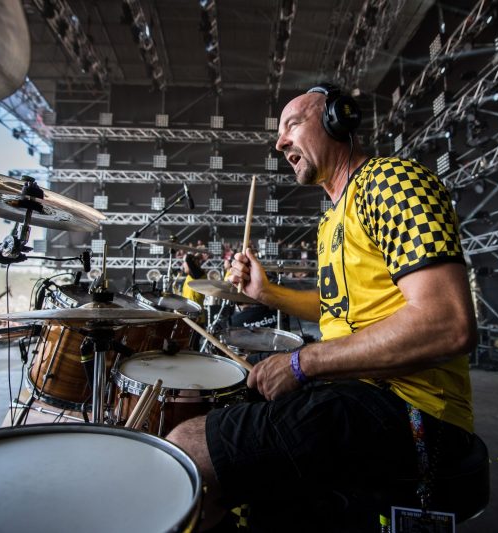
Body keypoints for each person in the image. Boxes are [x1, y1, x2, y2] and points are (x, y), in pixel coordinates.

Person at [167, 85, 477, 530]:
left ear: (338, 119)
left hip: (411, 408)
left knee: (189, 447)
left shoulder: (392, 181)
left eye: (292, 124)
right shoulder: (331, 219)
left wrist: (301, 363)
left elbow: (447, 323)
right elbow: (337, 308)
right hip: (353, 391)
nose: (280, 143)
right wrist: (266, 293)